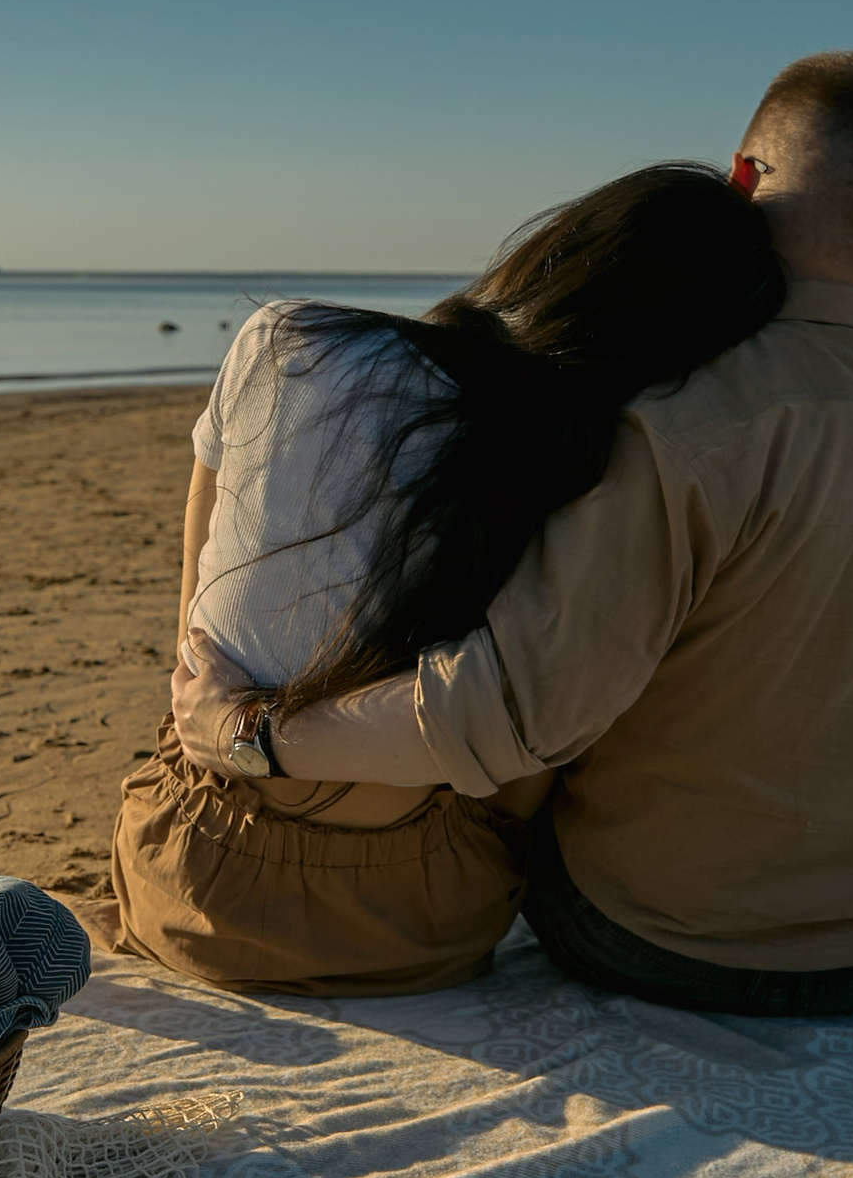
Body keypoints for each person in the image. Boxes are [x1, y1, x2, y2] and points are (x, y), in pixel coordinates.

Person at [173, 51, 853, 1016]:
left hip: (677, 941)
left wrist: (256, 734)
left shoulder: (684, 416)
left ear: (740, 180)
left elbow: (505, 713)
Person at [111, 164, 788, 996]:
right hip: (414, 922)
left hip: (184, 870)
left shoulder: (285, 340)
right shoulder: (588, 462)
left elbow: (200, 591)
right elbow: (526, 753)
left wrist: (221, 723)